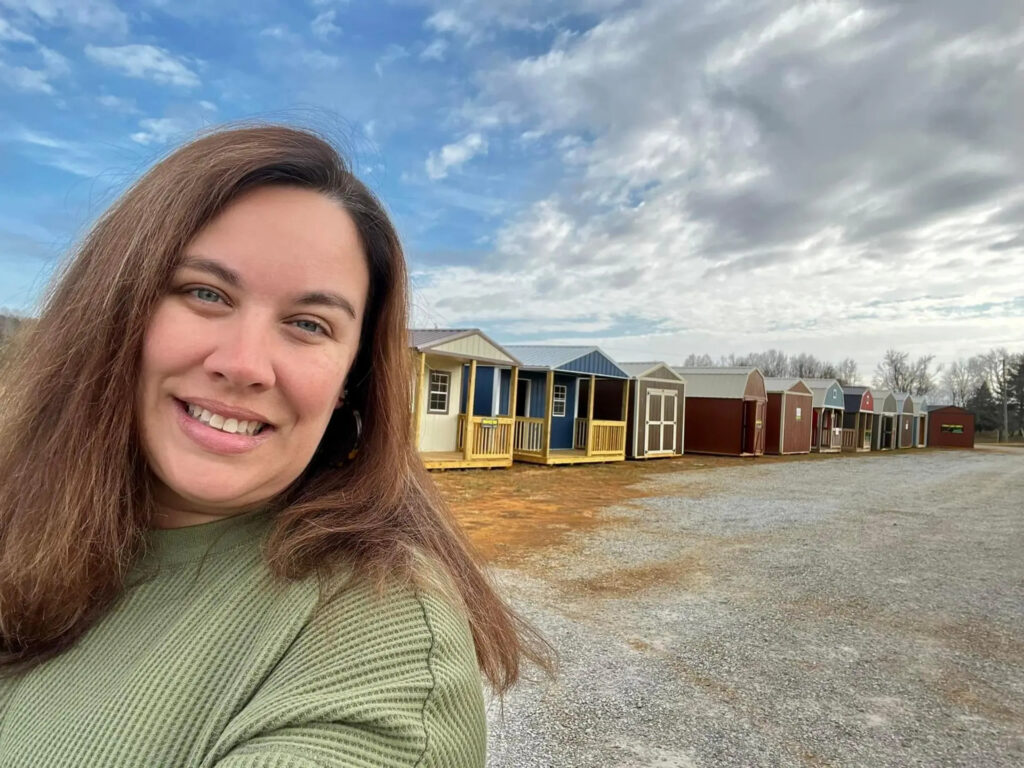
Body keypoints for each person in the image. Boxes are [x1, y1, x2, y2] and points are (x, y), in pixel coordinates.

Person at [0, 124, 550, 767]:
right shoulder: (20, 506)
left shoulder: (377, 636)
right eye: (206, 293)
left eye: (308, 324)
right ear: (112, 308)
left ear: (351, 381)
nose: (244, 365)